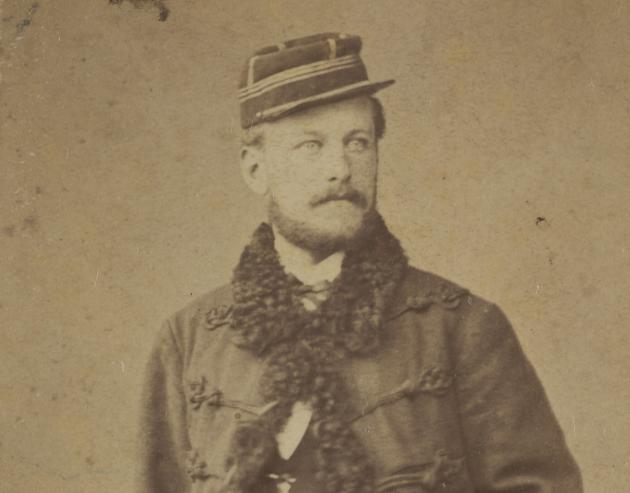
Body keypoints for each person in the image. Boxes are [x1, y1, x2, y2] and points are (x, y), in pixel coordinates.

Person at [137, 32, 582, 493]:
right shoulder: (189, 342)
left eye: (357, 143)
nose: (341, 168)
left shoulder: (462, 327)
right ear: (255, 169)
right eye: (311, 146)